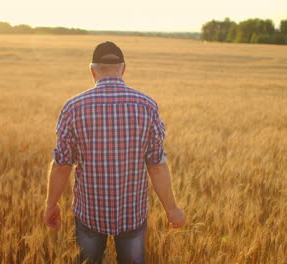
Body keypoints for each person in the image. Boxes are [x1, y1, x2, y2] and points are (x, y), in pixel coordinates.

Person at [44, 41, 186, 264]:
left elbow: (62, 165)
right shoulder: (147, 105)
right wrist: (172, 209)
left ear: (92, 71)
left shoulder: (73, 107)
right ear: (123, 69)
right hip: (132, 213)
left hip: (89, 212)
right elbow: (156, 165)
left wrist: (51, 205)